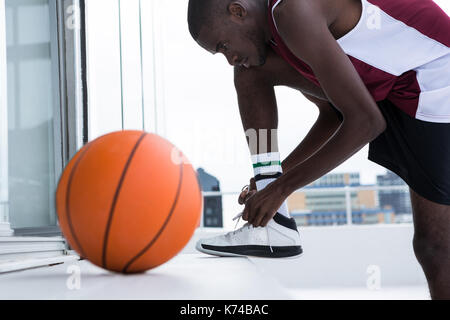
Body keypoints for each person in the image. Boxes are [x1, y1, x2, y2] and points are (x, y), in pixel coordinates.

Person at [187, 0, 450, 299]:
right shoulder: (279, 32)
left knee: (435, 246)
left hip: (434, 80)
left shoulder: (293, 12)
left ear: (238, 11)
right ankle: (275, 223)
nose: (230, 57)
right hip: (388, 84)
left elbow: (364, 123)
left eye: (222, 46)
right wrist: (272, 180)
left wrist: (280, 189)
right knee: (250, 73)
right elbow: (331, 115)